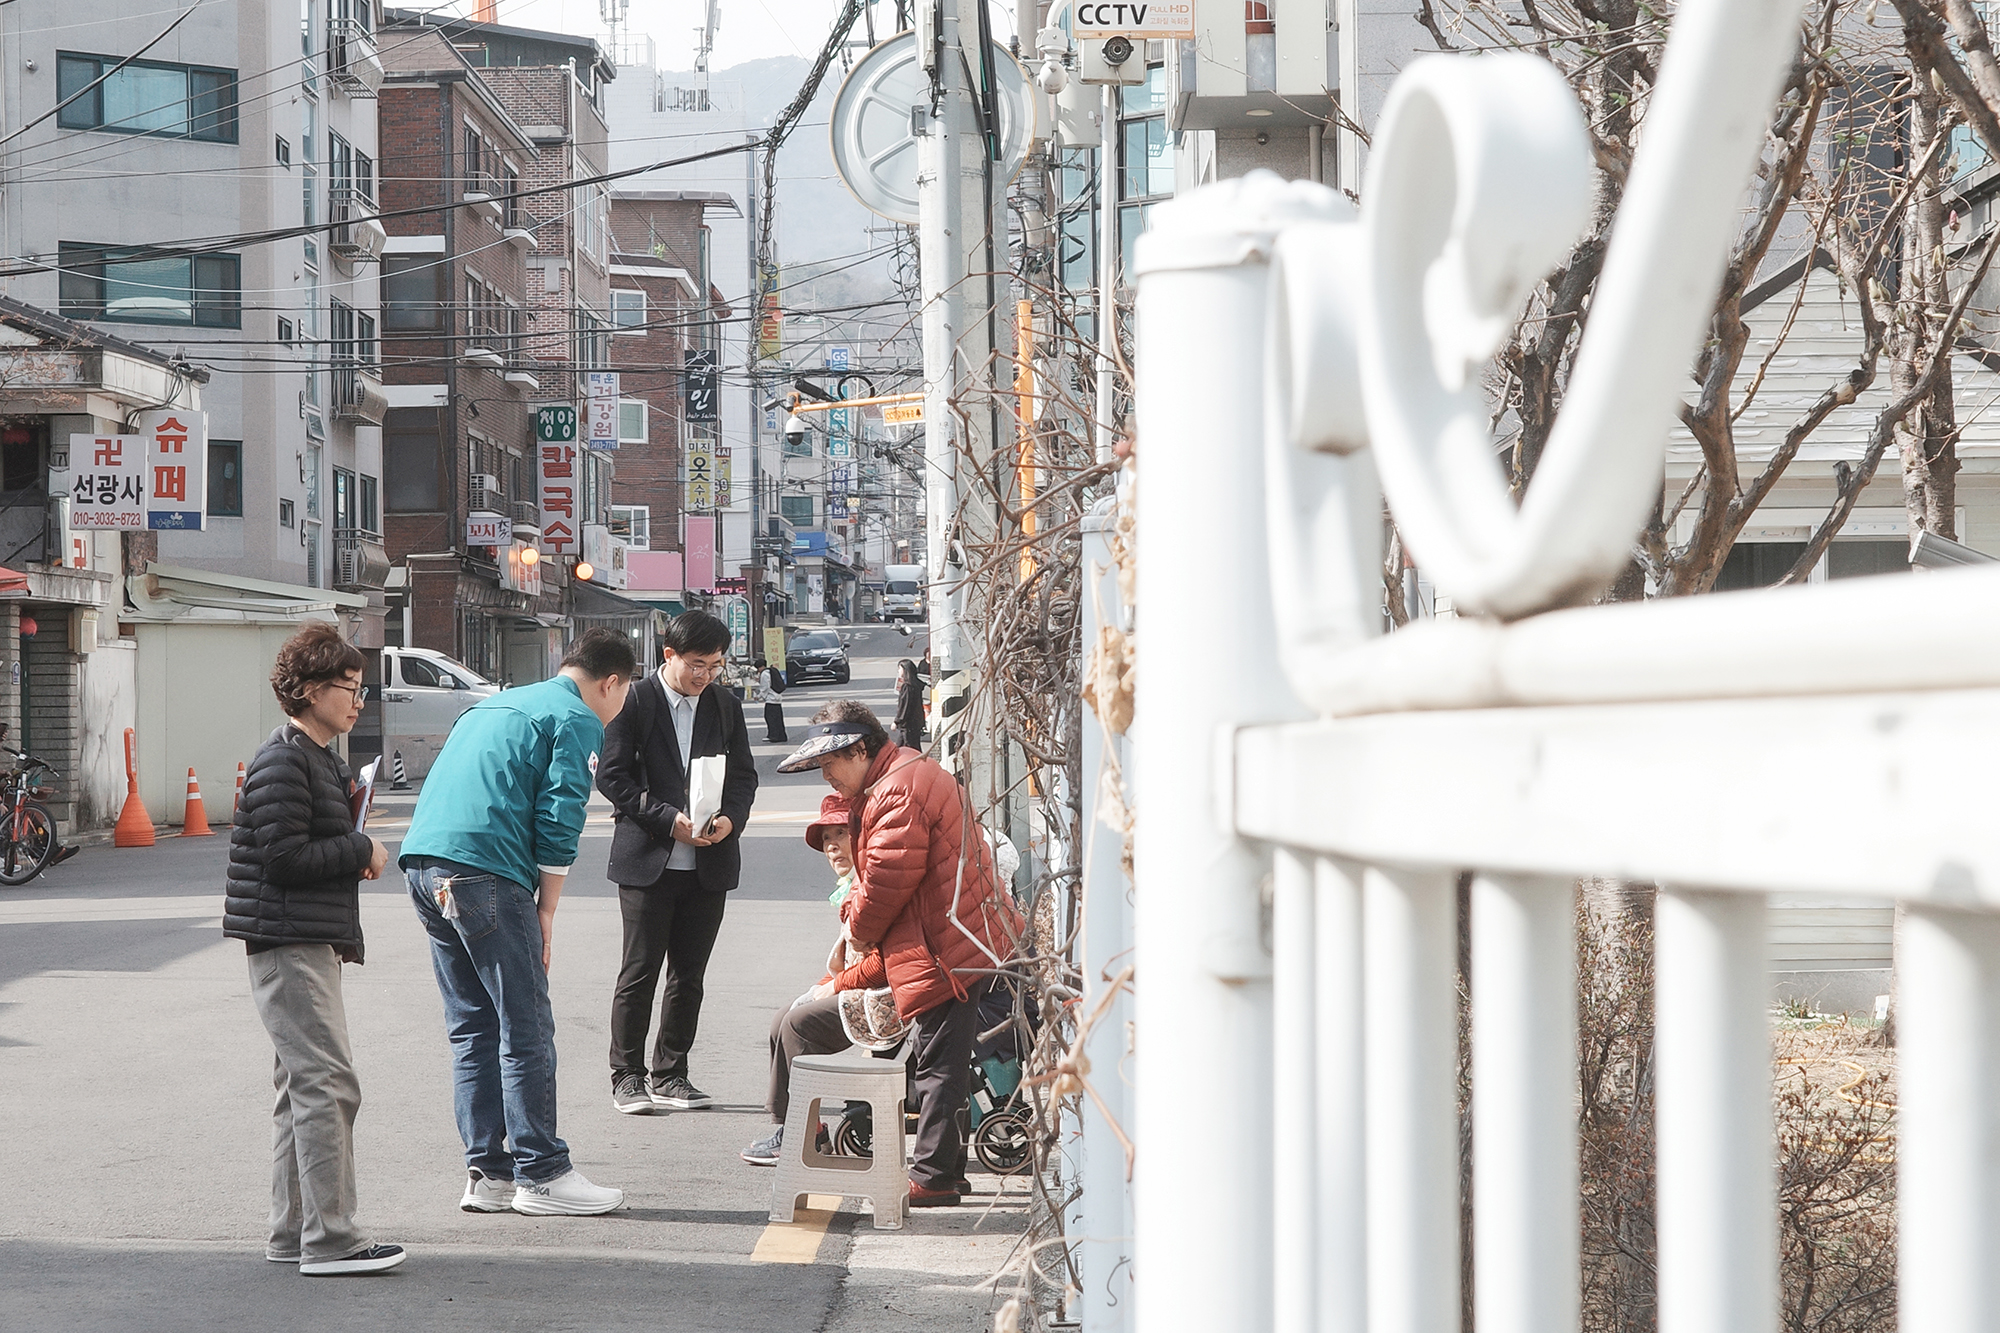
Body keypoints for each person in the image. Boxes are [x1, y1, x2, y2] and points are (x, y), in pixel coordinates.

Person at [400, 628, 636, 1217]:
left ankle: (488, 1174)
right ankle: (543, 1172)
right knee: (524, 1023)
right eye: (624, 693)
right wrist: (547, 909)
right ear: (610, 682)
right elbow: (560, 820)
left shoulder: (496, 703)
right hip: (486, 875)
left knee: (472, 1026)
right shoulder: (576, 717)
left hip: (425, 868)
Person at [777, 700, 1023, 1206]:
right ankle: (946, 1173)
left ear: (862, 748)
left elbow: (885, 884)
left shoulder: (894, 791)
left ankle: (933, 1177)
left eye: (831, 764)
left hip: (944, 946)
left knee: (938, 1067)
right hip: (959, 937)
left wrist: (855, 926)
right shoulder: (911, 770)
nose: (826, 777)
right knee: (945, 1061)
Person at [223, 623, 403, 1276]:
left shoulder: (317, 755)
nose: (358, 699)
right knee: (329, 1083)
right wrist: (360, 848)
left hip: (305, 936)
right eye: (346, 686)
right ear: (305, 690)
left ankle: (293, 1231)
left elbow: (297, 851)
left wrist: (351, 846)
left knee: (301, 1087)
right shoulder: (285, 758)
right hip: (288, 941)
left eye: (360, 686)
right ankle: (332, 1240)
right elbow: (283, 856)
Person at [596, 611, 760, 1114]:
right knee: (640, 971)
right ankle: (627, 1075)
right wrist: (667, 820)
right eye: (696, 664)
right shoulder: (635, 700)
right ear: (669, 655)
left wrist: (731, 819)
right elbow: (614, 778)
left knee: (689, 975)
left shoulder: (725, 704)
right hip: (651, 857)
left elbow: (745, 777)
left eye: (714, 665)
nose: (705, 675)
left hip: (709, 862)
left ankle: (672, 1073)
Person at [740, 793, 896, 1166]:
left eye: (842, 834)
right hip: (865, 990)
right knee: (782, 1018)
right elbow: (849, 960)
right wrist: (823, 985)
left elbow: (882, 965)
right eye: (827, 839)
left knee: (796, 1026)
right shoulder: (853, 886)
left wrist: (833, 987)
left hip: (887, 999)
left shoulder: (872, 888)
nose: (832, 847)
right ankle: (797, 1128)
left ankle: (801, 1134)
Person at [751, 655, 788, 744]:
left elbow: (765, 687)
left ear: (760, 667)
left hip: (771, 699)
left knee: (770, 718)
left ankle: (773, 736)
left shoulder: (764, 674)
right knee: (778, 719)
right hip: (777, 698)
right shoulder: (771, 671)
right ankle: (781, 736)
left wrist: (759, 696)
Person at [893, 658, 925, 751]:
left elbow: (905, 706)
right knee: (903, 749)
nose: (898, 671)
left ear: (905, 670)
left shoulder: (907, 687)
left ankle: (919, 765)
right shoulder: (917, 685)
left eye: (899, 668)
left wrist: (897, 721)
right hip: (915, 723)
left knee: (910, 750)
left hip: (908, 725)